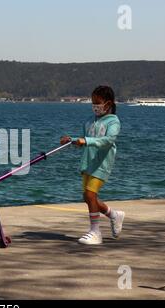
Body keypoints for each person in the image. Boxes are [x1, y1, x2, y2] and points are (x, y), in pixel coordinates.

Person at [60, 85, 125, 245]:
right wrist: (73, 140)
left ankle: (95, 232)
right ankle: (113, 215)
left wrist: (86, 140)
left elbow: (107, 140)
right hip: (87, 163)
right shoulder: (90, 121)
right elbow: (85, 139)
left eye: (98, 102)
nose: (95, 106)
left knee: (90, 195)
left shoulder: (113, 121)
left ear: (108, 104)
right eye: (93, 103)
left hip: (102, 164)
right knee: (88, 197)